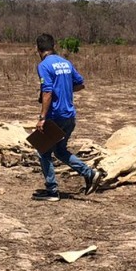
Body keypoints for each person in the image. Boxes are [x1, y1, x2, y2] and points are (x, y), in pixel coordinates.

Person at [32, 34, 100, 201]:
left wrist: (42, 117)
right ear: (53, 46)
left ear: (38, 49)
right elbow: (80, 84)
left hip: (55, 116)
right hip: (70, 115)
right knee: (60, 150)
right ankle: (90, 173)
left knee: (42, 151)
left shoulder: (44, 65)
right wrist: (64, 91)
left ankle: (52, 190)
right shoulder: (66, 62)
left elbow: (47, 91)